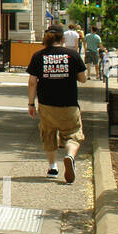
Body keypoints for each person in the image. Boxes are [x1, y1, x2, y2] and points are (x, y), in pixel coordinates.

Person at [28, 24, 87, 182]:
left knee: (48, 134)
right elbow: (83, 79)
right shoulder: (72, 55)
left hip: (47, 104)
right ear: (62, 38)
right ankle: (69, 156)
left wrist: (31, 104)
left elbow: (32, 82)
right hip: (69, 103)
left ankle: (53, 167)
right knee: (73, 134)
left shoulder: (38, 56)